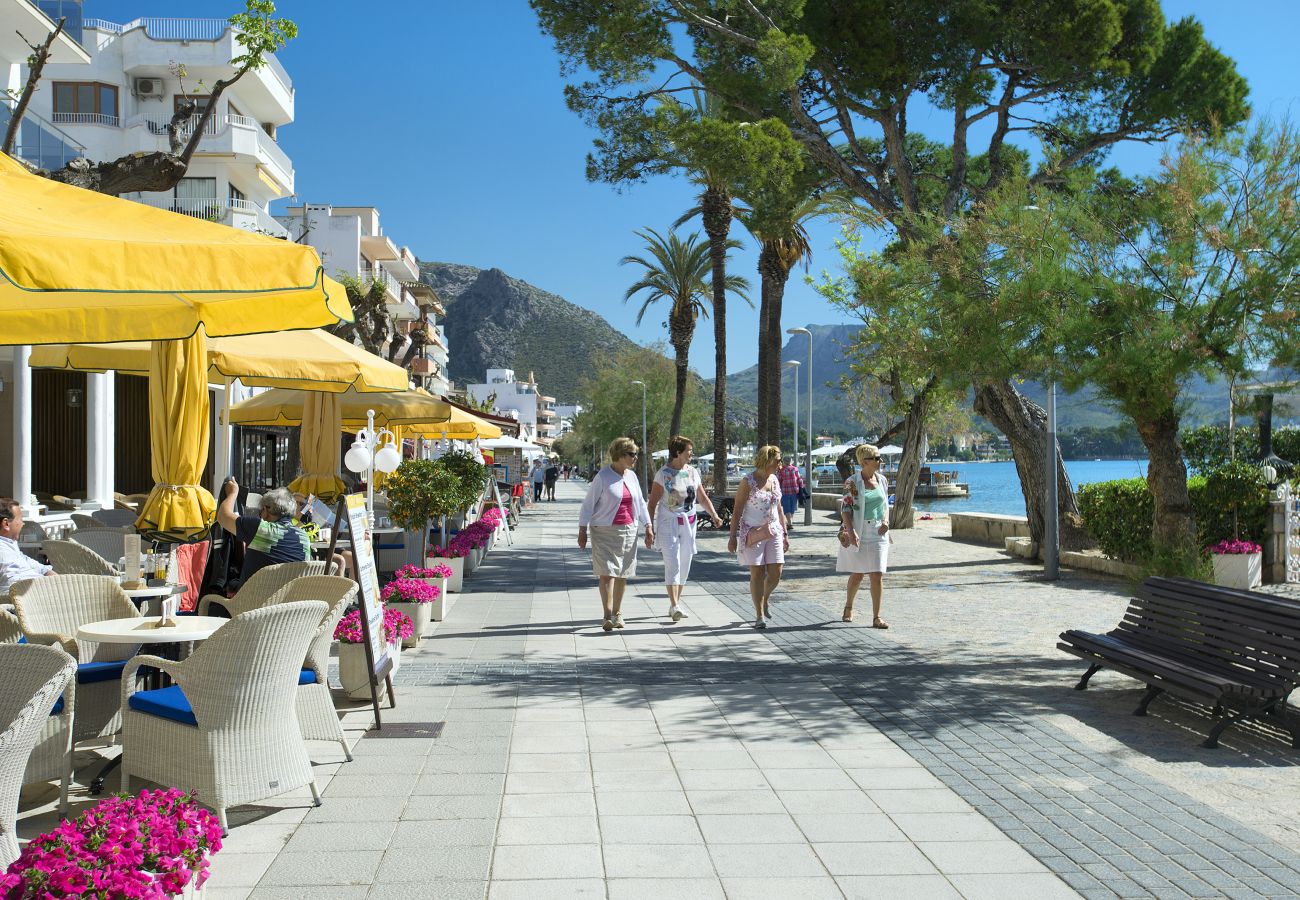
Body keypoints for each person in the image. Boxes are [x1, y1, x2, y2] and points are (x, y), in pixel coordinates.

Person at [577, 437, 651, 632]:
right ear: (620, 455)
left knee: (622, 574)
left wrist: (648, 525)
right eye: (632, 454)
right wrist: (582, 530)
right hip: (604, 531)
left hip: (629, 530)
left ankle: (618, 613)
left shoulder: (632, 476)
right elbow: (587, 505)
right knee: (607, 573)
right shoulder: (603, 476)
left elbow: (641, 503)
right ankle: (607, 615)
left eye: (636, 454)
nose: (635, 458)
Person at [646, 435, 723, 622]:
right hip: (668, 523)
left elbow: (702, 498)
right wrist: (649, 528)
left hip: (689, 523)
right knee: (673, 564)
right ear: (678, 452)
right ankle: (674, 605)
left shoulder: (692, 472)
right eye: (689, 450)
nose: (691, 453)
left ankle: (675, 603)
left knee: (685, 564)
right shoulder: (663, 474)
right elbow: (652, 503)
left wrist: (714, 515)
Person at [727, 445, 789, 629]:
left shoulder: (775, 480)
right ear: (767, 459)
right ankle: (759, 614)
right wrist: (732, 536)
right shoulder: (748, 481)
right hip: (753, 532)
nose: (780, 464)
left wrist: (785, 533)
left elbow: (779, 508)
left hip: (774, 531)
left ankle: (765, 598)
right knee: (757, 573)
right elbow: (737, 510)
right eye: (778, 460)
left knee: (777, 572)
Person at [216, 481, 311, 589]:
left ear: (265, 510)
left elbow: (223, 517)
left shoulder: (261, 529)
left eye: (259, 512)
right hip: (289, 603)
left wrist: (233, 493)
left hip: (253, 603)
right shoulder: (304, 537)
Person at [837, 443, 891, 627]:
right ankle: (848, 607)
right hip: (859, 530)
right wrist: (850, 531)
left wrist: (886, 521)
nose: (880, 461)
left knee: (877, 575)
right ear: (864, 462)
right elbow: (845, 509)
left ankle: (877, 617)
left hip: (879, 532)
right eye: (876, 458)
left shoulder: (882, 480)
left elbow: (885, 506)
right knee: (858, 574)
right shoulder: (852, 482)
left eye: (879, 457)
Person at [0, 498, 54, 595]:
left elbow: (27, 561)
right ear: (6, 524)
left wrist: (47, 572)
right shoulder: (3, 552)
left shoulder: (9, 544)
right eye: (20, 519)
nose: (23, 523)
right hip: (27, 601)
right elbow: (12, 583)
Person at [777, 456, 805, 529]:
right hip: (794, 491)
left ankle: (790, 523)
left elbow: (778, 481)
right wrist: (801, 487)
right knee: (792, 507)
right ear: (791, 461)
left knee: (787, 507)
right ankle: (790, 523)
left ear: (784, 461)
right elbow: (799, 479)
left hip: (785, 491)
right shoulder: (795, 469)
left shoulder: (781, 471)